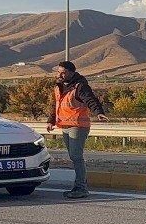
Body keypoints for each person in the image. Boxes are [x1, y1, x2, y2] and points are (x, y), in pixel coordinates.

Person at [46, 61, 107, 200]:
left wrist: (98, 112)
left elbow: (90, 100)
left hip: (78, 126)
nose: (60, 75)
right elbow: (55, 105)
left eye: (63, 72)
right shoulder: (59, 87)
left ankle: (81, 188)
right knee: (74, 157)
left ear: (71, 73)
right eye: (59, 72)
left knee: (76, 157)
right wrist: (51, 121)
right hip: (65, 126)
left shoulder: (80, 86)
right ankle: (79, 186)